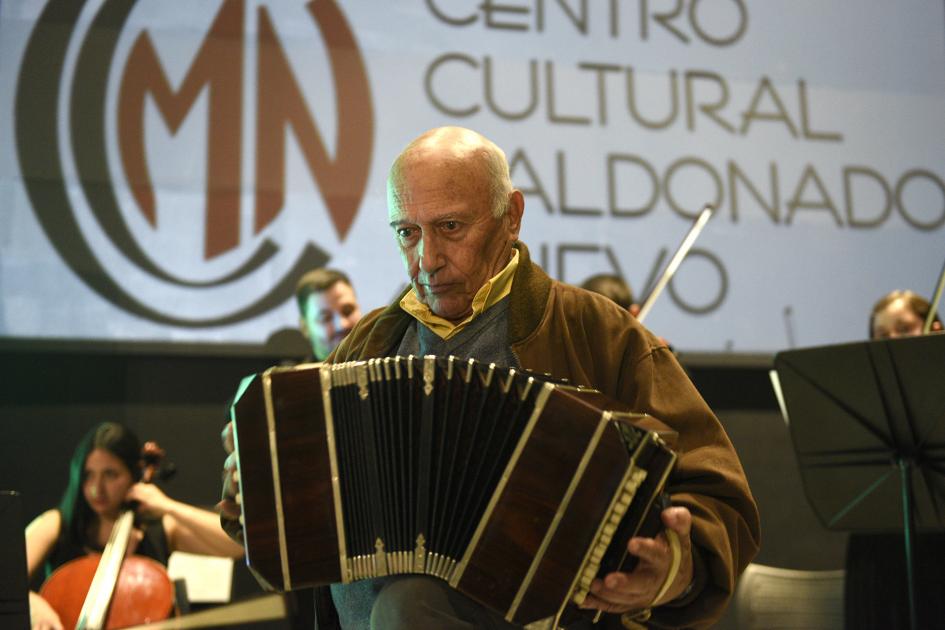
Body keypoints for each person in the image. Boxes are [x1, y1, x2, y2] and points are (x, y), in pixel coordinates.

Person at [220, 126, 759, 629]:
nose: (426, 259)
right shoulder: (365, 348)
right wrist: (261, 495)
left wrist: (672, 570)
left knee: (409, 605)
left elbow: (721, 499)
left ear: (512, 215)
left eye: (450, 227)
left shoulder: (598, 333)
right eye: (407, 233)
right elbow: (286, 528)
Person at [27, 422, 245, 630]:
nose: (96, 489)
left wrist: (168, 506)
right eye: (88, 475)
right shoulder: (56, 523)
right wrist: (34, 604)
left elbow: (239, 545)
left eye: (110, 475)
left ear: (133, 474)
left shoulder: (158, 528)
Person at [844, 289, 944, 630]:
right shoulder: (861, 399)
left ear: (934, 329)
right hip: (879, 542)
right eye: (882, 335)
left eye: (904, 329)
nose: (893, 340)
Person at [296, 268, 363, 361]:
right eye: (326, 318)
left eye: (348, 311)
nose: (342, 325)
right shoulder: (300, 376)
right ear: (305, 328)